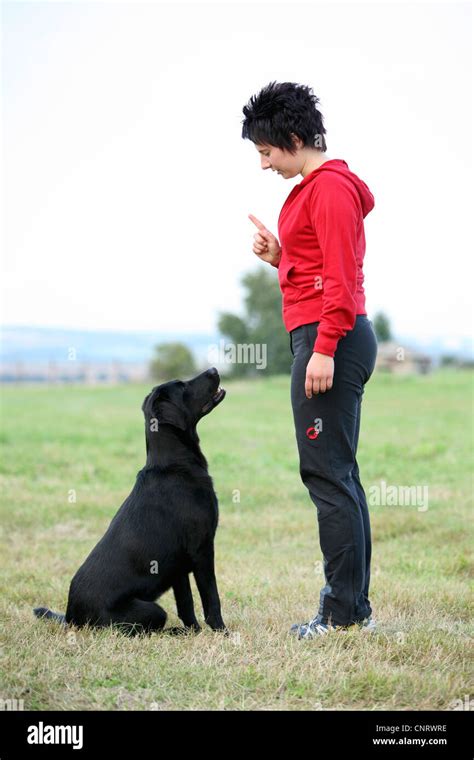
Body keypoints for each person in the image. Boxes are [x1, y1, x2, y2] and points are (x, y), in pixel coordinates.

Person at [241, 81, 378, 638]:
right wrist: (282, 256)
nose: (265, 164)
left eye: (266, 152)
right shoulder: (311, 188)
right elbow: (318, 268)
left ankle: (341, 614)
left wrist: (323, 347)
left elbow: (342, 280)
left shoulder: (329, 189)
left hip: (332, 339)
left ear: (293, 139)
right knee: (339, 475)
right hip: (324, 333)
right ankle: (352, 610)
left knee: (326, 476)